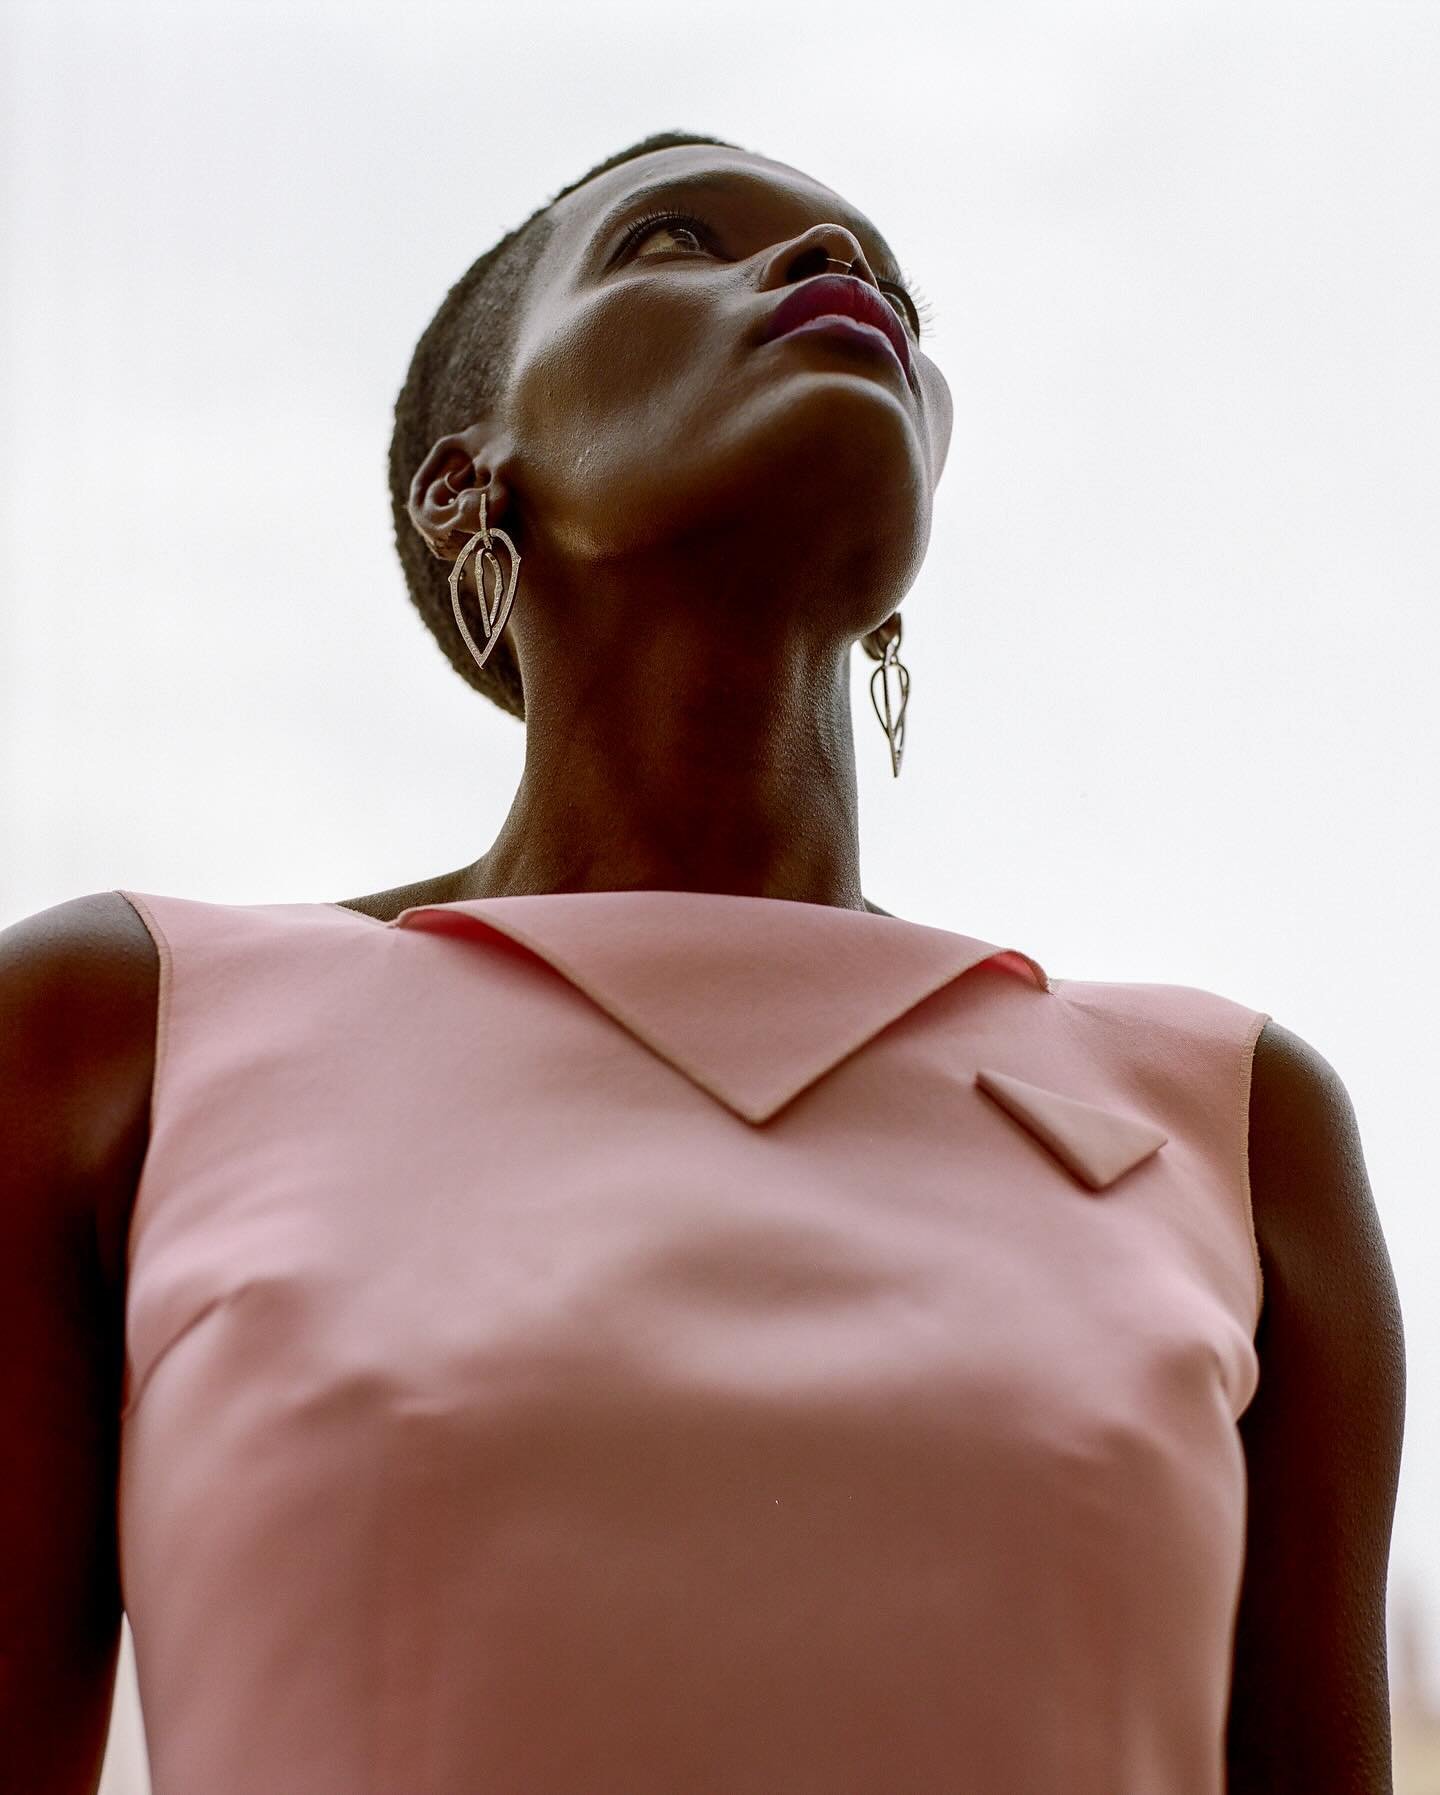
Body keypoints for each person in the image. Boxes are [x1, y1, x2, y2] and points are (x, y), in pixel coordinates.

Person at [0, 130, 1405, 1795]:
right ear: (467, 484)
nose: (829, 267)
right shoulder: (118, 1035)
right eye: (674, 239)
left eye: (884, 277)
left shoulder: (1240, 1126)